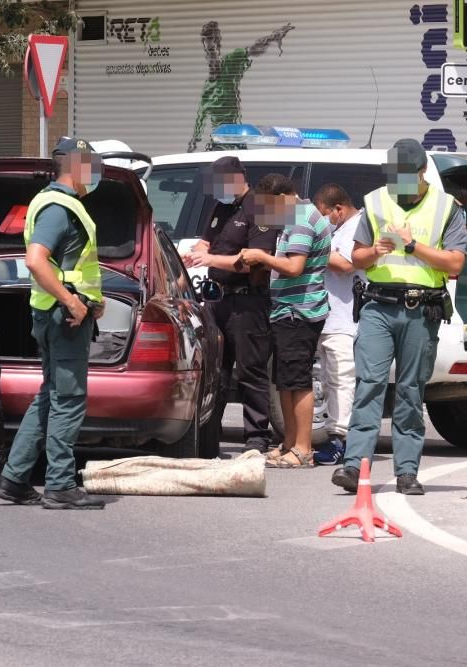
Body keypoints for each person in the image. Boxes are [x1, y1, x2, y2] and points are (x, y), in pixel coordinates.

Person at [330, 138, 467, 496]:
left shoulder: (447, 207)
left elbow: (455, 262)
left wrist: (412, 246)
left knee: (410, 391)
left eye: (406, 175)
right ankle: (353, 465)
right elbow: (355, 258)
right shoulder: (375, 202)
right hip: (378, 306)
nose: (398, 183)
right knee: (370, 385)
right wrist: (374, 251)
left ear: (423, 173)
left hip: (422, 310)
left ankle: (407, 471)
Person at [0, 137, 107, 510]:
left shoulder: (54, 201)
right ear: (75, 166)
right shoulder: (58, 207)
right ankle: (59, 484)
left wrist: (92, 301)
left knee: (50, 397)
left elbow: (71, 265)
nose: (95, 173)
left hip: (55, 315)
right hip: (63, 320)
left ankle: (12, 479)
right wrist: (73, 303)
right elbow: (36, 260)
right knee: (69, 400)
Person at [183, 156, 279, 453]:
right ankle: (211, 433)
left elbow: (255, 261)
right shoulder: (222, 207)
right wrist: (198, 250)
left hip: (246, 301)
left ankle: (256, 438)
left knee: (250, 370)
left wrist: (211, 259)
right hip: (216, 300)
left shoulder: (261, 208)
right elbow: (208, 242)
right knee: (216, 369)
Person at [240, 174, 332, 468]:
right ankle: (290, 443)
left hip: (300, 312)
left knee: (298, 380)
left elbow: (294, 267)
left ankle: (303, 449)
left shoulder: (302, 219)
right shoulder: (294, 219)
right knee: (285, 381)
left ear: (282, 198)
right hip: (286, 310)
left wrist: (262, 257)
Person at [311, 183, 364, 465]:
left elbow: (345, 264)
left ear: (339, 209)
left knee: (342, 379)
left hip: (345, 318)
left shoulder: (357, 226)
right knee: (331, 380)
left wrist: (310, 246)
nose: (322, 220)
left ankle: (341, 440)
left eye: (324, 214)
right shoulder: (339, 229)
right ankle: (336, 436)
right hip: (331, 316)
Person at [188, 21, 295, 152]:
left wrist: (271, 38)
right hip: (218, 144)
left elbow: (252, 50)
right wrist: (194, 141)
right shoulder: (207, 88)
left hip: (235, 141)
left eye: (212, 50)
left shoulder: (230, 64)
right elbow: (201, 116)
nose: (210, 56)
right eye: (207, 51)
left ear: (218, 47)